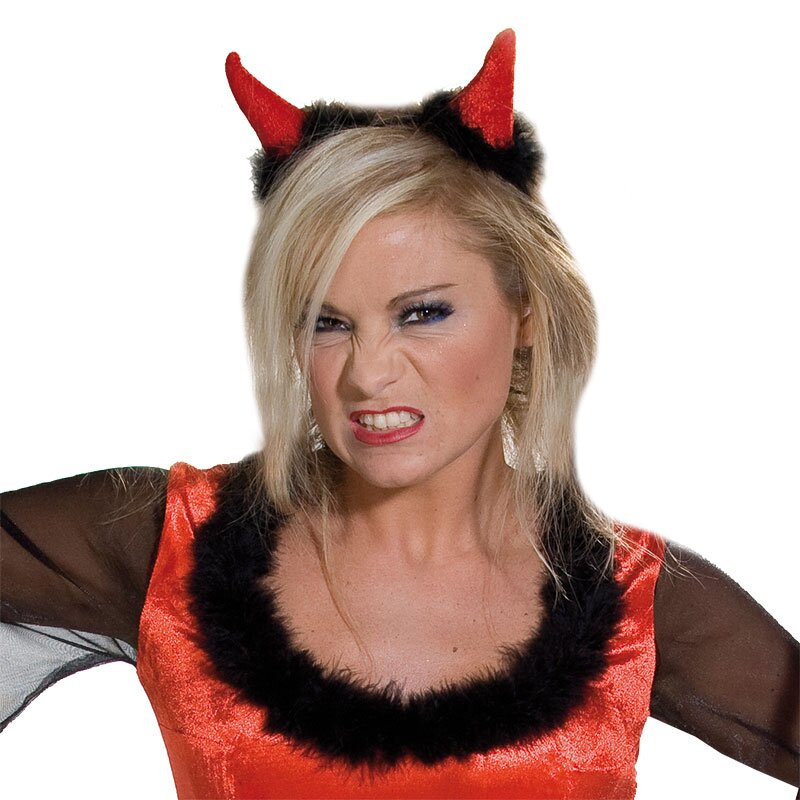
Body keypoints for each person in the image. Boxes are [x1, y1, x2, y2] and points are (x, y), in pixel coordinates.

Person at [1, 28, 798, 799]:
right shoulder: (165, 543)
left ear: (525, 309)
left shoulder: (640, 601)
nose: (368, 373)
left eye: (422, 313)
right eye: (326, 322)